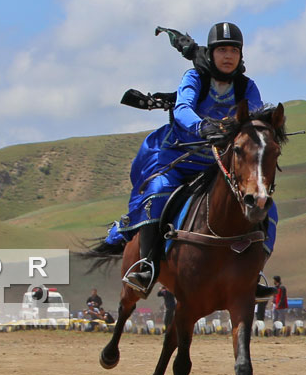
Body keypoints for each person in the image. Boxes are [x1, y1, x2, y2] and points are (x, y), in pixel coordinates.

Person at [103, 22, 279, 296]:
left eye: (234, 50)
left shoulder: (247, 86)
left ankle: (252, 273)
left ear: (241, 55)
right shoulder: (194, 77)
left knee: (267, 206)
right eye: (222, 50)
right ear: (211, 53)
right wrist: (201, 127)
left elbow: (253, 119)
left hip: (217, 163)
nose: (228, 56)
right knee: (157, 192)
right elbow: (183, 107)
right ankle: (147, 265)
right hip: (180, 158)